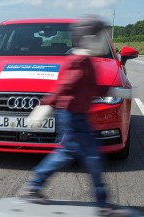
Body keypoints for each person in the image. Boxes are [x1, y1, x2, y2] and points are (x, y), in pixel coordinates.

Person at [17, 15, 132, 217]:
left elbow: (91, 87)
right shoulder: (78, 62)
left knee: (65, 154)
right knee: (93, 158)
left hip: (76, 117)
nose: (102, 40)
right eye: (99, 36)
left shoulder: (87, 62)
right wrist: (44, 106)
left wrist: (115, 91)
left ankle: (32, 187)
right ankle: (104, 205)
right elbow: (63, 87)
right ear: (87, 38)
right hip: (72, 117)